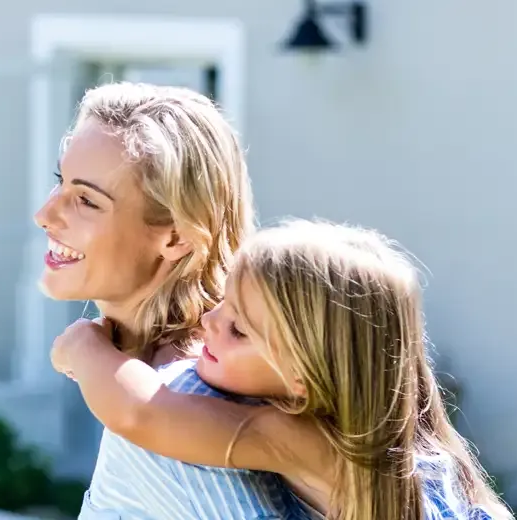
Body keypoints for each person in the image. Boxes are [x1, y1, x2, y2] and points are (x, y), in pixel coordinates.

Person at [52, 219, 515, 519]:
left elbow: (142, 413)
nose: (209, 322)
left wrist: (82, 345)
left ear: (303, 377)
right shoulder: (396, 442)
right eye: (223, 306)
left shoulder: (308, 440)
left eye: (239, 331)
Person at [34, 81, 313, 518]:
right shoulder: (161, 376)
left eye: (86, 200)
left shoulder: (181, 398)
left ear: (177, 237)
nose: (45, 215)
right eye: (60, 182)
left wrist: (83, 346)